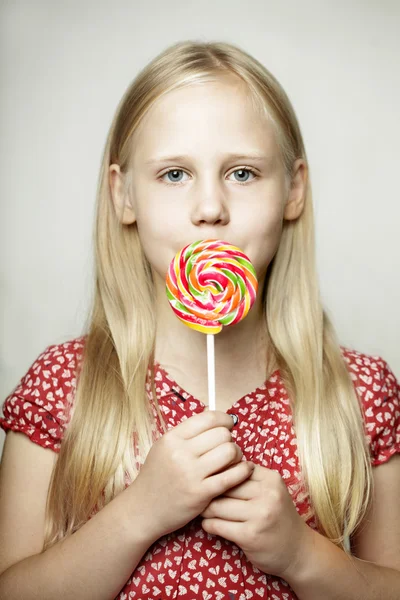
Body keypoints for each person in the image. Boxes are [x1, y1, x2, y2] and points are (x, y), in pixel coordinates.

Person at [0, 40, 399, 600]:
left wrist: (300, 554)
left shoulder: (356, 393)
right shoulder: (66, 386)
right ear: (123, 195)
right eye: (173, 174)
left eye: (241, 172)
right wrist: (138, 513)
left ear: (294, 189)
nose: (210, 207)